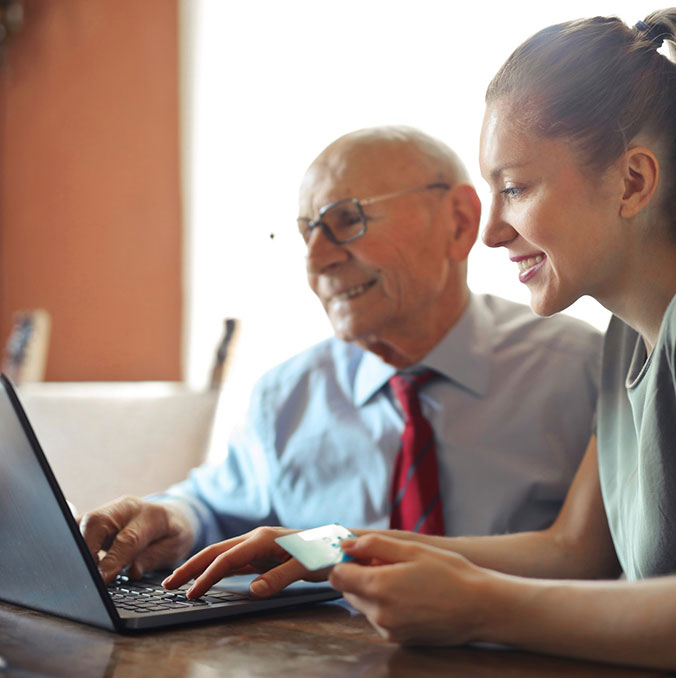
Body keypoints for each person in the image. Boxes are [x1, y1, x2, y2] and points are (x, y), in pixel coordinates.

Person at [164, 9, 676, 676]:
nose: (490, 232)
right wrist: (326, 546)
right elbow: (571, 552)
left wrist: (479, 606)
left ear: (633, 181)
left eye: (514, 188)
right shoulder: (627, 340)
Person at [79, 126, 603, 584]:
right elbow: (214, 507)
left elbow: (600, 560)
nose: (317, 261)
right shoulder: (286, 395)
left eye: (346, 220)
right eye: (307, 232)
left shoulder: (582, 371)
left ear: (460, 222)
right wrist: (172, 519)